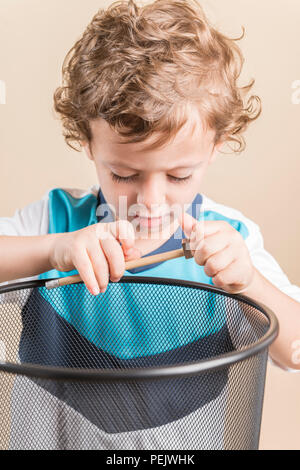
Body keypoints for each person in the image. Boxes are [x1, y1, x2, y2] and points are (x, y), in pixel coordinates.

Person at [1, 0, 299, 450]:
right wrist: (56, 250)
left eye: (179, 176)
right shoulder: (55, 220)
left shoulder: (230, 241)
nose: (150, 202)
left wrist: (249, 282)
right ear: (87, 140)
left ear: (217, 144)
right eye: (124, 174)